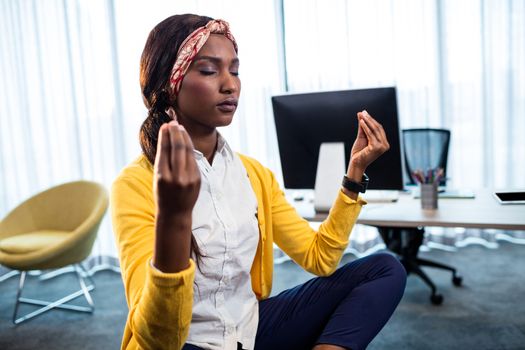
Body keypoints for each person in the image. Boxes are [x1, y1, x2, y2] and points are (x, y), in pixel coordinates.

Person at [111, 14, 406, 350]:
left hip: (249, 333)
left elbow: (320, 258)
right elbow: (158, 340)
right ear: (169, 84)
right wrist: (175, 216)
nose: (230, 84)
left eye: (234, 70)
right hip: (186, 344)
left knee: (385, 269)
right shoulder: (134, 185)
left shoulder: (254, 175)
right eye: (209, 70)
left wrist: (354, 175)